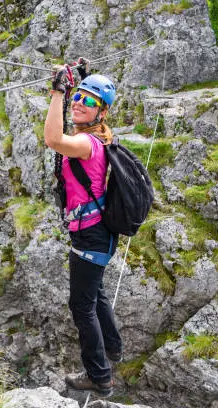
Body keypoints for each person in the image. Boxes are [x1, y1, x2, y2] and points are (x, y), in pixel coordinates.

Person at [44, 62, 122, 398]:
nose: (80, 103)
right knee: (96, 293)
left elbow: (52, 139)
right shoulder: (97, 137)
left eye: (89, 101)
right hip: (99, 233)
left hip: (90, 234)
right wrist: (74, 82)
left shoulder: (87, 144)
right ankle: (114, 348)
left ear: (100, 112)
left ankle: (99, 376)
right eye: (79, 96)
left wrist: (59, 92)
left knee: (82, 305)